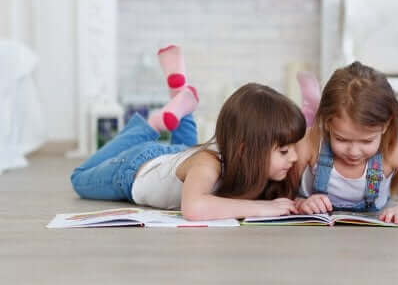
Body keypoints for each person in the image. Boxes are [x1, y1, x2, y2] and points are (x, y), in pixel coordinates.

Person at [71, 46, 306, 221]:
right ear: (245, 149)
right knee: (80, 178)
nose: (294, 157)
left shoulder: (248, 163)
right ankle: (152, 125)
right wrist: (262, 208)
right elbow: (193, 208)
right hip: (134, 168)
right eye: (285, 150)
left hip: (180, 158)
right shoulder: (208, 165)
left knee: (188, 149)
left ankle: (180, 94)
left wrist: (306, 203)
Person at [294, 61, 398, 224]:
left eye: (367, 141)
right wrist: (300, 203)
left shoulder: (394, 150)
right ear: (327, 123)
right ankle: (310, 108)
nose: (353, 152)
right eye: (341, 139)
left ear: (386, 125)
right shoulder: (310, 143)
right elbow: (277, 196)